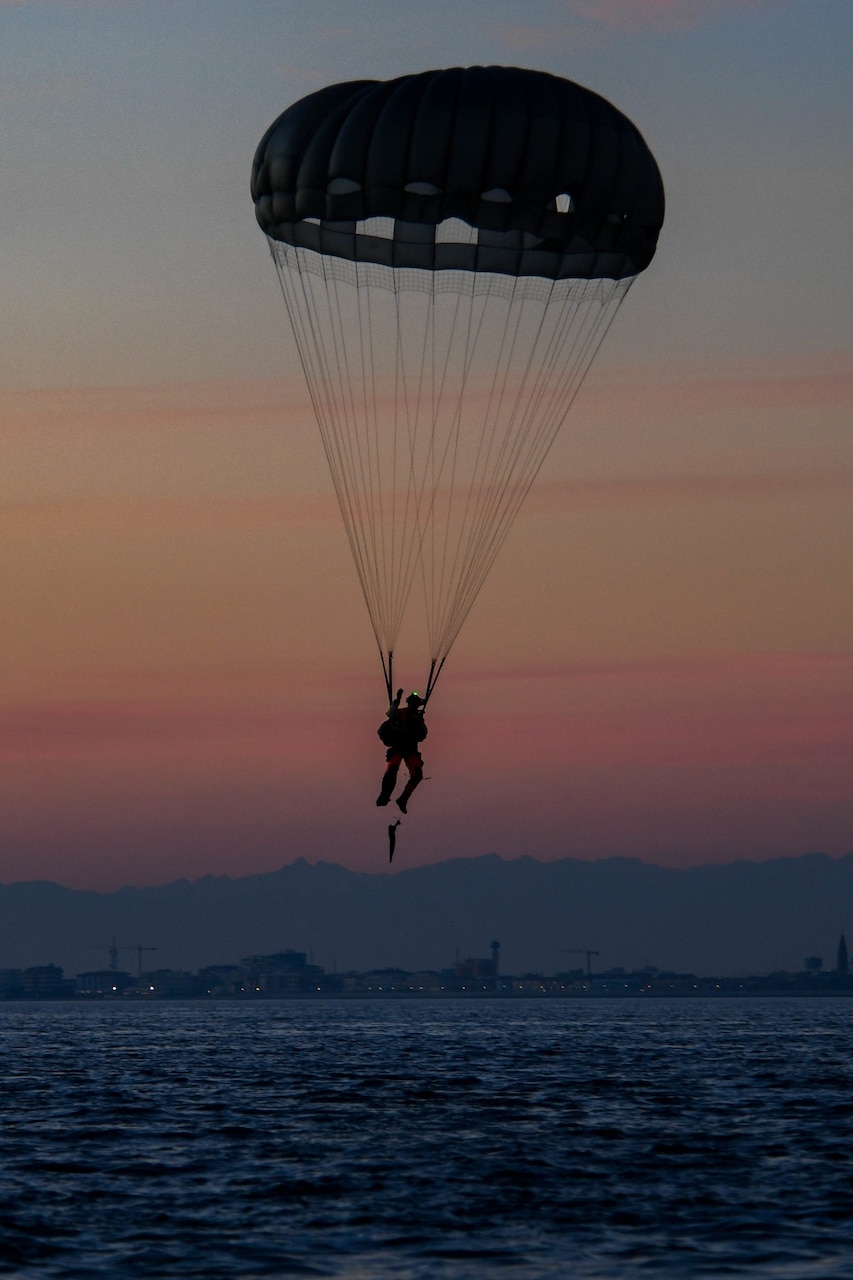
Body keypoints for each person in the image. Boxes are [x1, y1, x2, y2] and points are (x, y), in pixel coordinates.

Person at [376, 690, 428, 813]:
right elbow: (390, 714)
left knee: (417, 775)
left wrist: (419, 727)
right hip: (398, 747)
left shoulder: (419, 718)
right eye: (412, 703)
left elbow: (422, 736)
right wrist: (396, 701)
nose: (414, 706)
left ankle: (403, 799)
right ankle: (384, 795)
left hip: (411, 749)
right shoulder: (401, 712)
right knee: (392, 770)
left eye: (416, 704)